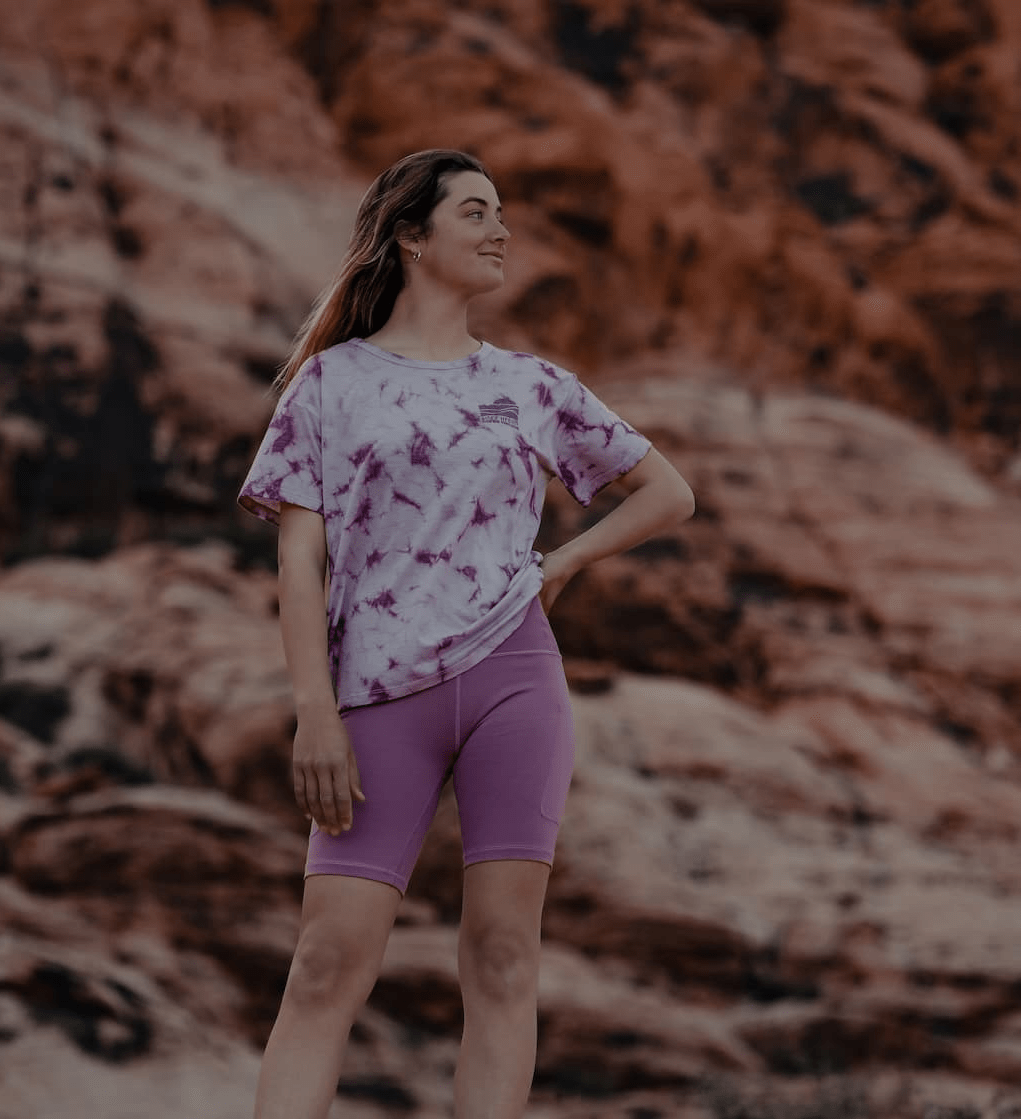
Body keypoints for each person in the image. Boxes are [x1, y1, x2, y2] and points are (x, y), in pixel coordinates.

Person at [236, 148, 695, 1119]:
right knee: (325, 961)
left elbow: (667, 493)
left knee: (499, 955)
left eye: (501, 215)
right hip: (373, 697)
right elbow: (297, 563)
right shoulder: (329, 383)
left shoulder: (531, 384)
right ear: (411, 234)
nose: (500, 232)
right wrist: (312, 714)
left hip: (512, 678)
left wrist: (558, 564)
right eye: (476, 213)